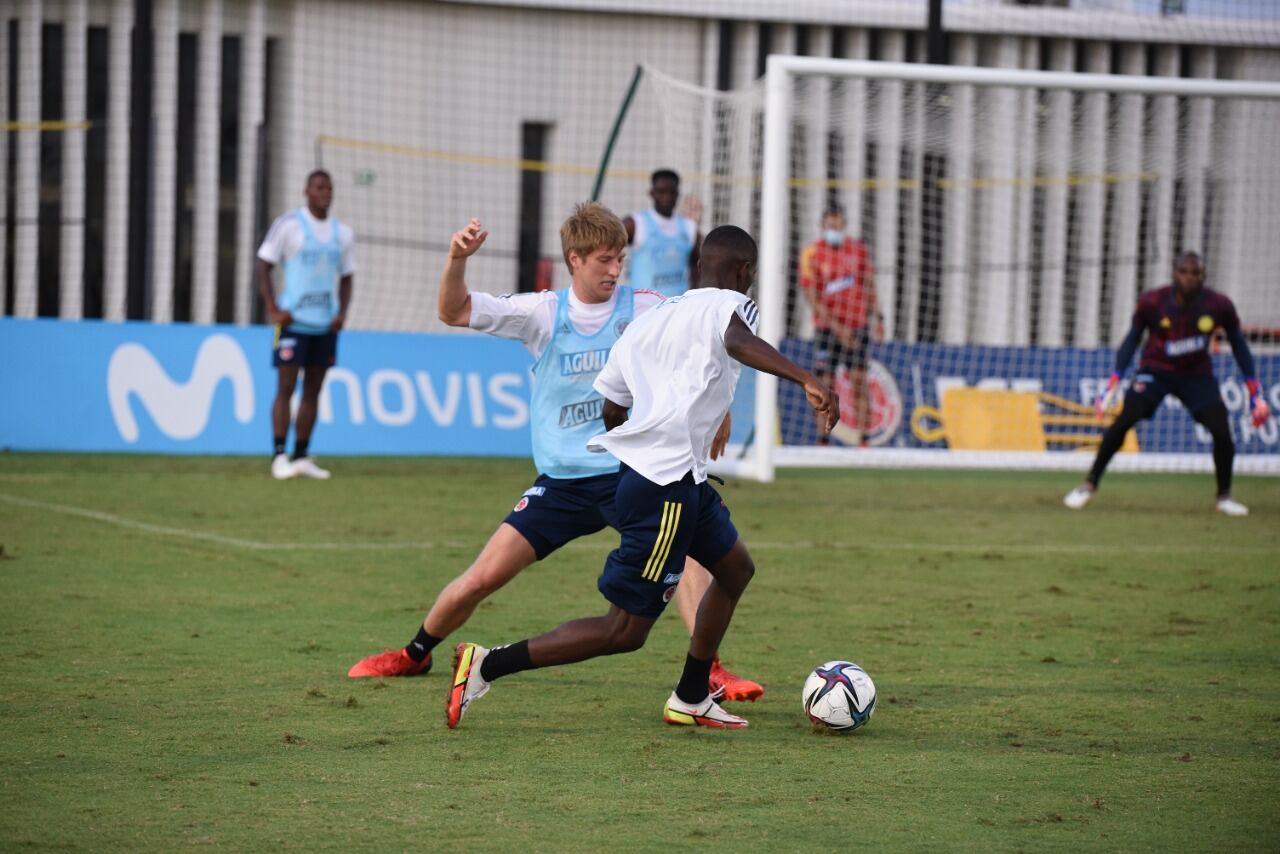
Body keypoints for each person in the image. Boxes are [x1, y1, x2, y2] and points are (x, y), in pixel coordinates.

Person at [347, 204, 763, 702]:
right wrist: (457, 259)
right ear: (575, 259)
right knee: (483, 576)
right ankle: (415, 653)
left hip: (628, 471)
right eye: (604, 260)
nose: (615, 270)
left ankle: (709, 672)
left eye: (620, 260)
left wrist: (722, 412)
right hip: (563, 481)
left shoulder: (649, 305)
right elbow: (453, 311)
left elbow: (703, 341)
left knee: (691, 559)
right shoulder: (542, 312)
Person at [445, 225, 838, 730]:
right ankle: (485, 664)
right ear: (744, 273)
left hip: (675, 480)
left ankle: (692, 694)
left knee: (736, 569)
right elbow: (737, 339)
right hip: (665, 489)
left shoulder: (653, 320)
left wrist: (647, 448)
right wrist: (806, 378)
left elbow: (613, 405)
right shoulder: (730, 305)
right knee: (624, 631)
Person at [1064, 252, 1270, 516]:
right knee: (1125, 419)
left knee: (1221, 428)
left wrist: (1255, 393)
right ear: (1174, 273)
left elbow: (1240, 346)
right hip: (1155, 371)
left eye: (1194, 273)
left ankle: (1224, 497)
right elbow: (1131, 340)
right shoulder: (1153, 302)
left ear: (1202, 276)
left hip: (1196, 375)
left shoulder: (1219, 306)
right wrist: (1115, 379)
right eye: (1183, 272)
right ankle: (1089, 485)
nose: (1189, 277)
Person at [256, 170, 354, 480]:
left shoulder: (343, 233)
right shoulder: (288, 226)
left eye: (329, 187)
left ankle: (301, 454)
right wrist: (273, 308)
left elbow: (348, 275)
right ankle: (279, 455)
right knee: (286, 387)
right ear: (306, 191)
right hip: (293, 324)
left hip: (324, 325)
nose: (325, 192)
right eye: (319, 187)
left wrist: (342, 314)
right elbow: (263, 265)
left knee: (313, 390)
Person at [797, 206, 882, 446]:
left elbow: (869, 285)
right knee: (824, 385)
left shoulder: (858, 250)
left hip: (857, 326)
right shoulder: (811, 253)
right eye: (830, 226)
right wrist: (837, 328)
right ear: (822, 226)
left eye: (838, 226)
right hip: (827, 329)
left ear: (844, 226)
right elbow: (811, 296)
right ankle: (823, 439)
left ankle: (864, 441)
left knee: (859, 381)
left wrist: (879, 318)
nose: (834, 230)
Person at [623, 169, 701, 299]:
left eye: (671, 192)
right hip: (643, 311)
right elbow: (608, 245)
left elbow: (699, 264)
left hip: (676, 309)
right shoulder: (636, 223)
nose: (667, 197)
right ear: (652, 193)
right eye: (661, 192)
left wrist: (694, 294)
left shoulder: (689, 227)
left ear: (677, 194)